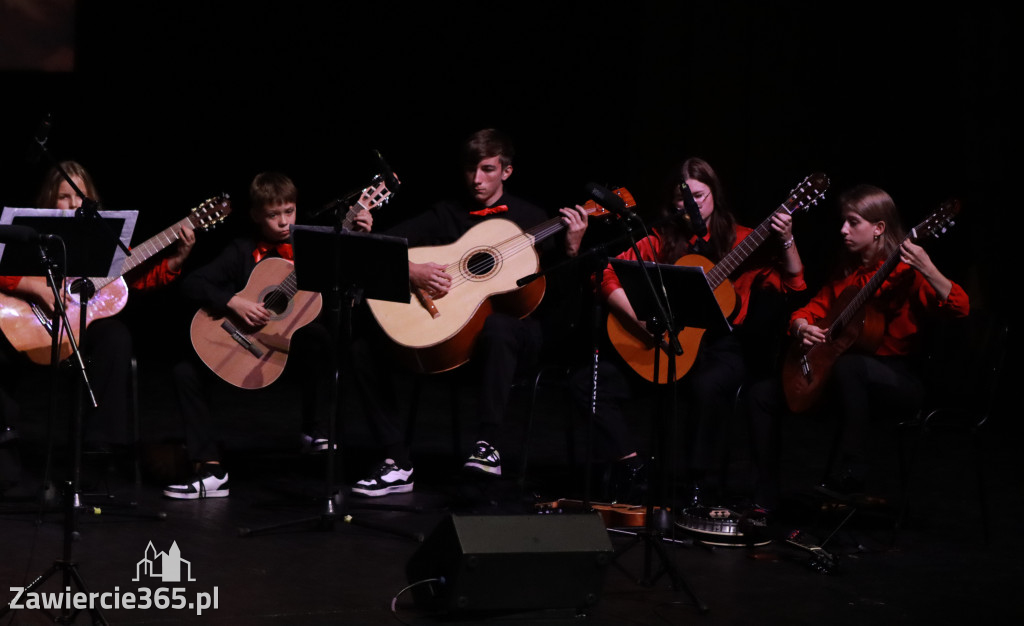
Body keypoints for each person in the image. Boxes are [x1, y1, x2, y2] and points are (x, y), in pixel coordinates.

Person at [349, 128, 588, 496]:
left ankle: (487, 445)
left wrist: (572, 251)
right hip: (452, 334)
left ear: (506, 171)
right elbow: (386, 248)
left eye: (488, 169)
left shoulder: (532, 218)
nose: (477, 179)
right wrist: (412, 271)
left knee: (498, 327)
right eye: (470, 169)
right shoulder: (446, 213)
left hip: (513, 339)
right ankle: (396, 459)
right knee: (363, 348)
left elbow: (562, 300)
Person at [569, 157, 807, 505]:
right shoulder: (660, 238)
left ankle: (697, 482)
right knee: (586, 382)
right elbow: (604, 274)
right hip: (661, 342)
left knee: (706, 386)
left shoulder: (742, 240)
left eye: (698, 194)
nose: (690, 203)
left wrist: (786, 240)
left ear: (715, 194)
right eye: (682, 197)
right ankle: (630, 465)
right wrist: (636, 318)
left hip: (718, 345)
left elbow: (794, 285)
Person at [749, 184, 969, 505]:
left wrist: (927, 266)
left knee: (851, 367)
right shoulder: (848, 272)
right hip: (845, 381)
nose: (843, 230)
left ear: (879, 228)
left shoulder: (907, 272)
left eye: (853, 222)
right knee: (761, 394)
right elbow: (810, 309)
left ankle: (852, 473)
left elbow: (960, 307)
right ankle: (763, 497)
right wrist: (800, 327)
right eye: (844, 221)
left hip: (897, 381)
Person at [163, 171, 373, 500]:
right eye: (273, 215)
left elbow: (353, 283)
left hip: (288, 352)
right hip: (243, 344)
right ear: (256, 215)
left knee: (321, 337)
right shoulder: (241, 250)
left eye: (289, 212)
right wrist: (234, 301)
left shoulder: (311, 246)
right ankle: (210, 468)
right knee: (184, 371)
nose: (282, 222)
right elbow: (192, 283)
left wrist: (358, 238)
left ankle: (315, 429)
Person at [0, 161, 194, 492]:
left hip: (78, 329)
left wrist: (175, 260)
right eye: (64, 197)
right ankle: (6, 459)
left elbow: (132, 277)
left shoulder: (103, 237)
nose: (74, 204)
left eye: (80, 197)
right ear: (50, 199)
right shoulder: (30, 233)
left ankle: (98, 450)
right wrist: (32, 287)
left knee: (116, 336)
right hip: (28, 324)